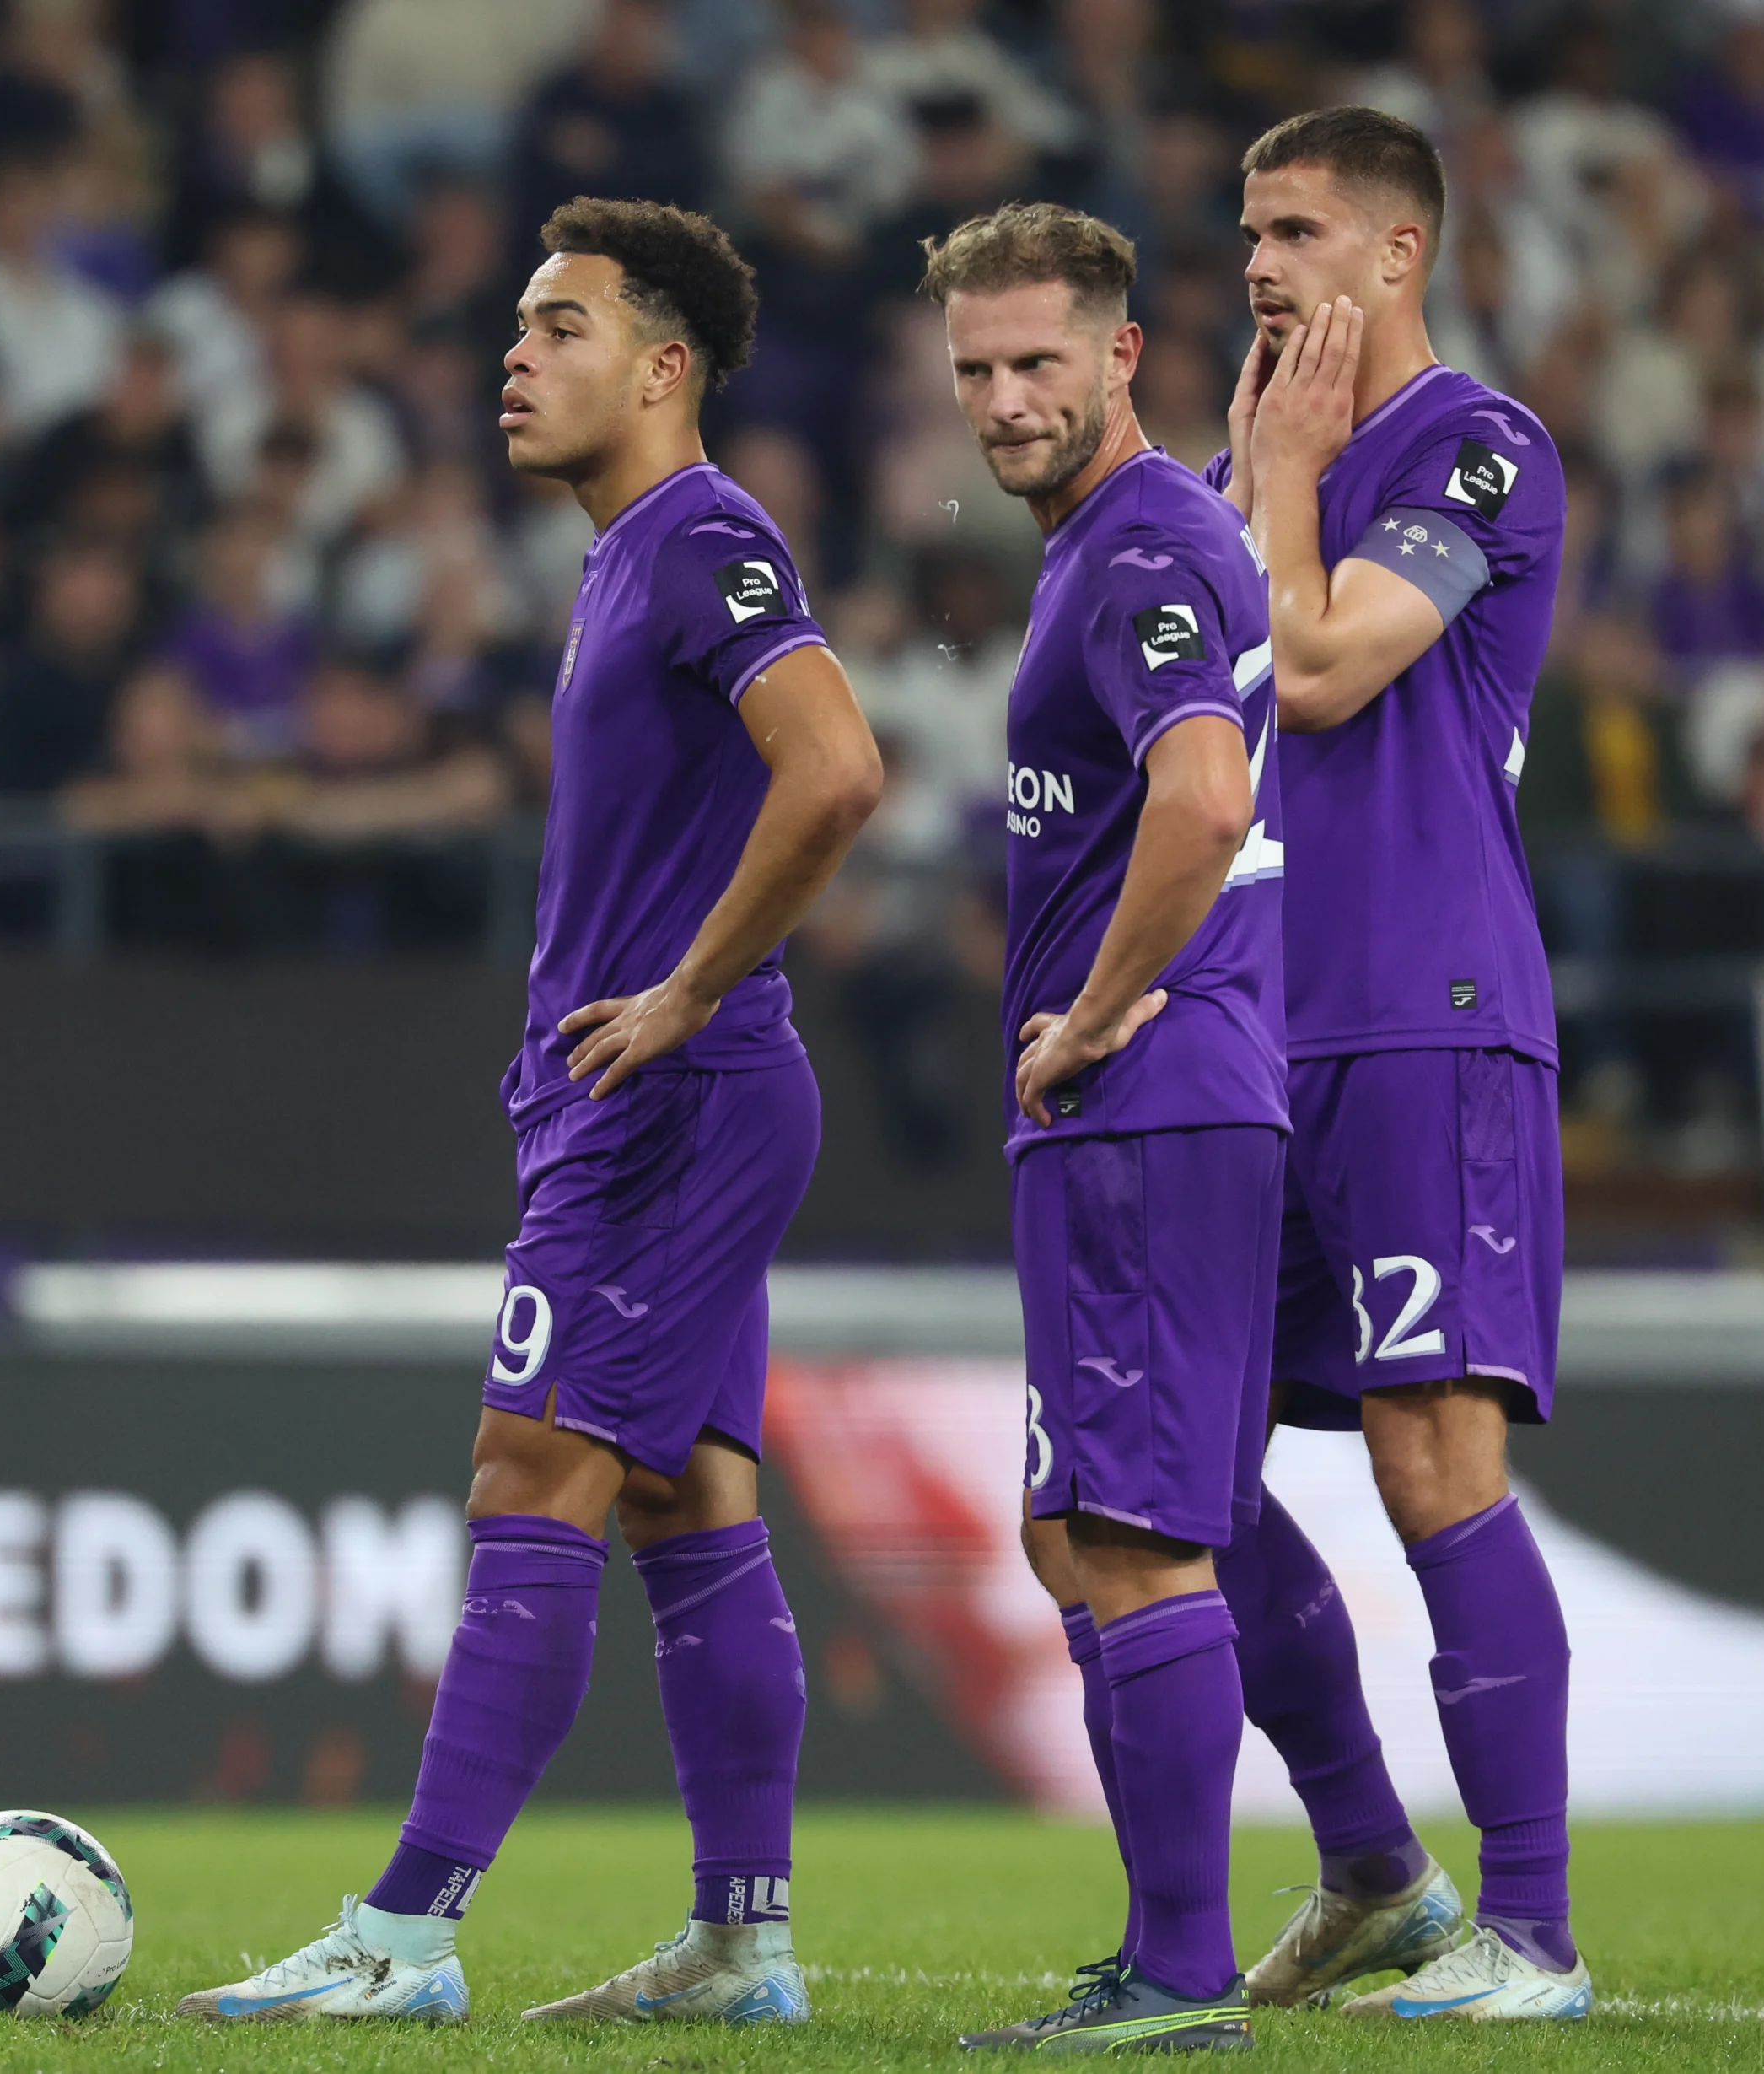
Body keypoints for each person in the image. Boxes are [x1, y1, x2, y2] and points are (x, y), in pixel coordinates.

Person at [180, 197, 880, 2027]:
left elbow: (841, 766)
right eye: (514, 325)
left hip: (673, 1096)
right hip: (671, 1094)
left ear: (665, 367)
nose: (514, 354)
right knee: (691, 1503)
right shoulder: (623, 555)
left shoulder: (703, 533)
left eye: (558, 325)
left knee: (532, 1467)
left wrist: (688, 988)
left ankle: (405, 1931)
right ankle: (744, 1942)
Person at [1203, 106, 1588, 2022]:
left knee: (1435, 1457)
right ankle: (1374, 1868)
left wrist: (1280, 481)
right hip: (1243, 1034)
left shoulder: (1476, 444)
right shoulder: (1229, 467)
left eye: (1297, 229)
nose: (1260, 264)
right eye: (1248, 231)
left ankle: (1533, 1931)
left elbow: (1337, 657)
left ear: (1398, 252)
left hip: (1424, 1016)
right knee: (1166, 1470)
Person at [917, 203, 1280, 2055]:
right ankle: (1171, 1947)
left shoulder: (1141, 543)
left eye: (1038, 359)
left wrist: (1098, 1001)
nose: (1003, 398)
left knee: (1132, 1538)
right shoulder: (1103, 547)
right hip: (1148, 1108)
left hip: (1145, 1097)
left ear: (1125, 355)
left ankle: (1182, 1974)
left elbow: (1203, 798)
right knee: (1082, 1530)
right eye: (975, 367)